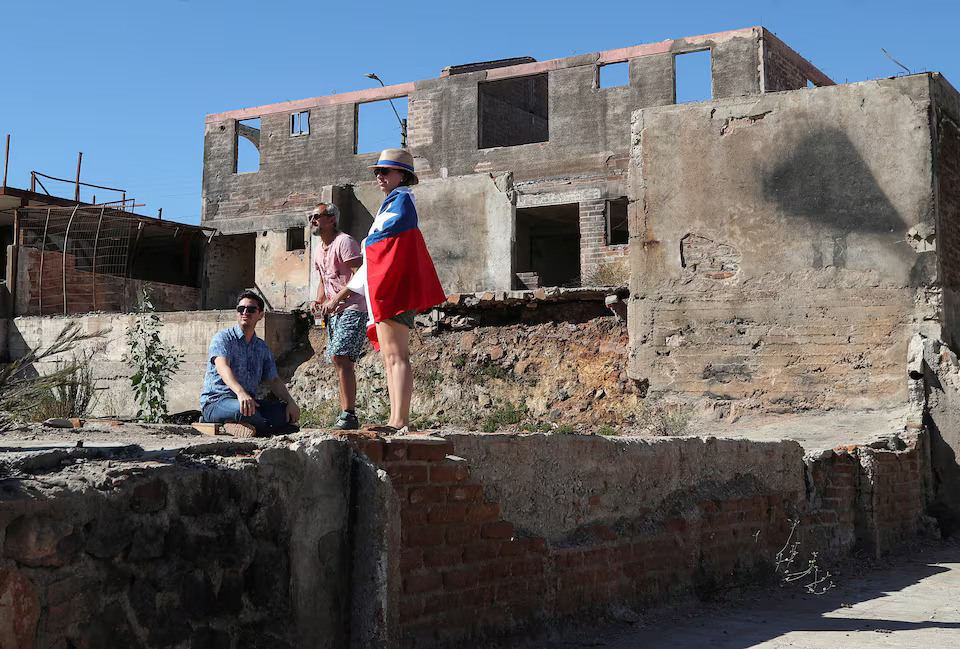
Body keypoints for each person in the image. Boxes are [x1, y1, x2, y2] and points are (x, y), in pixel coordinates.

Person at [346, 148, 446, 433]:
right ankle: (395, 420)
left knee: (396, 355)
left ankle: (400, 421)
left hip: (393, 289)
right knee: (391, 357)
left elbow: (385, 239)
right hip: (389, 287)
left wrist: (367, 242)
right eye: (377, 171)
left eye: (384, 171)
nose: (379, 176)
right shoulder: (394, 202)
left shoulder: (401, 199)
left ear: (401, 175)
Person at [199, 290, 302, 437]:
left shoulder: (262, 347)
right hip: (216, 402)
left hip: (248, 404)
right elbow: (223, 367)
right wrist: (240, 393)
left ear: (261, 315)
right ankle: (268, 429)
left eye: (251, 309)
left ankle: (242, 425)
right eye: (241, 309)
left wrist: (290, 402)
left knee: (283, 411)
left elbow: (274, 379)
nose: (245, 312)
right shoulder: (223, 338)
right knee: (242, 410)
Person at [309, 202, 366, 430]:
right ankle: (346, 414)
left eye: (316, 216)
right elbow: (324, 280)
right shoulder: (317, 249)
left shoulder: (344, 242)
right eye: (311, 217)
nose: (312, 221)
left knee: (342, 358)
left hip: (353, 307)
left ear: (331, 219)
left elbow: (360, 274)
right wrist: (318, 300)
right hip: (334, 311)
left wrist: (336, 299)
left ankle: (349, 413)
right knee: (337, 359)